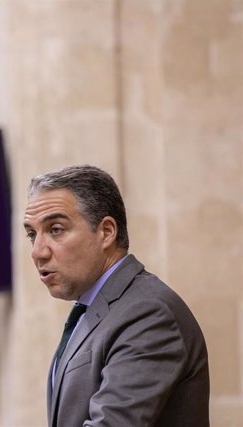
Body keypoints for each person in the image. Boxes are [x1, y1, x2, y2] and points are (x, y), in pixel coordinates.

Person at [23, 165, 210, 427]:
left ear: (106, 232)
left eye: (55, 229)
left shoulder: (148, 313)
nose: (37, 252)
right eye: (32, 234)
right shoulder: (95, 310)